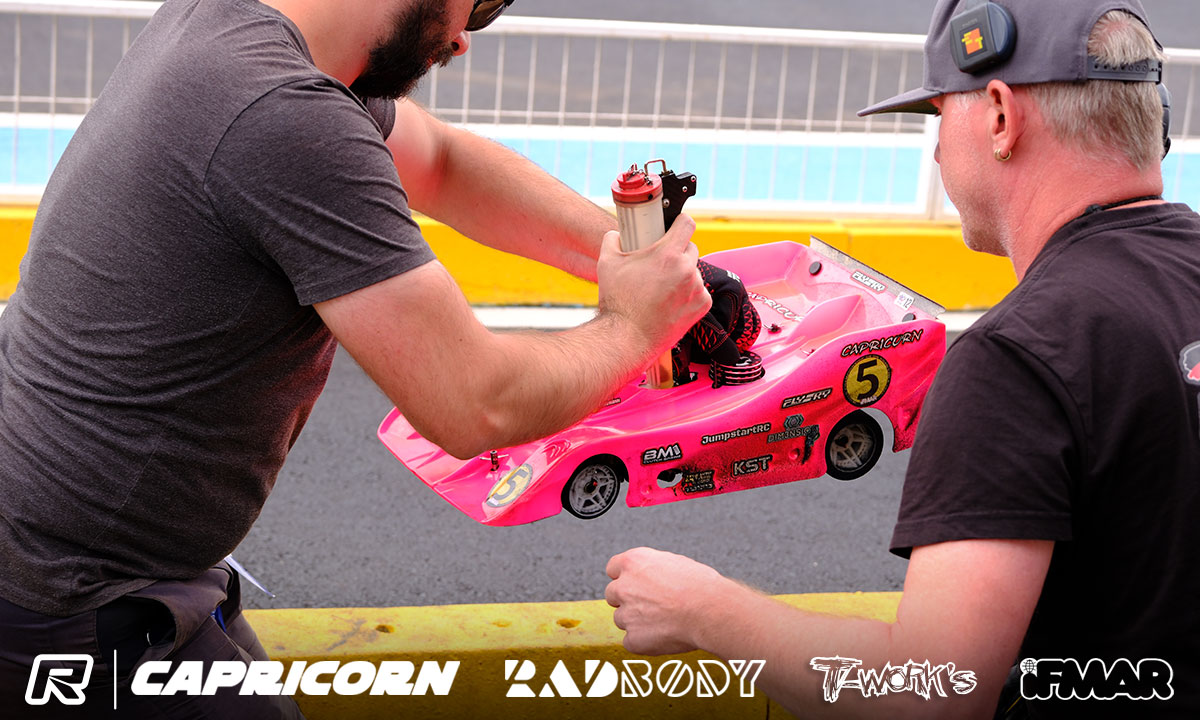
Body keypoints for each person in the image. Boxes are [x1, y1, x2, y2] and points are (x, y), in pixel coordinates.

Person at [0, 0, 712, 717]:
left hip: (84, 566)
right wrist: (636, 324)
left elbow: (442, 165)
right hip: (79, 603)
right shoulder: (284, 116)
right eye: (479, 5)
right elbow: (475, 401)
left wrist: (638, 260)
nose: (465, 38)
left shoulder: (228, 30)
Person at [605, 1, 1200, 717]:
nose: (939, 154)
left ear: (1001, 116)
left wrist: (703, 610)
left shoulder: (1018, 361)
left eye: (939, 115)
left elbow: (933, 694)